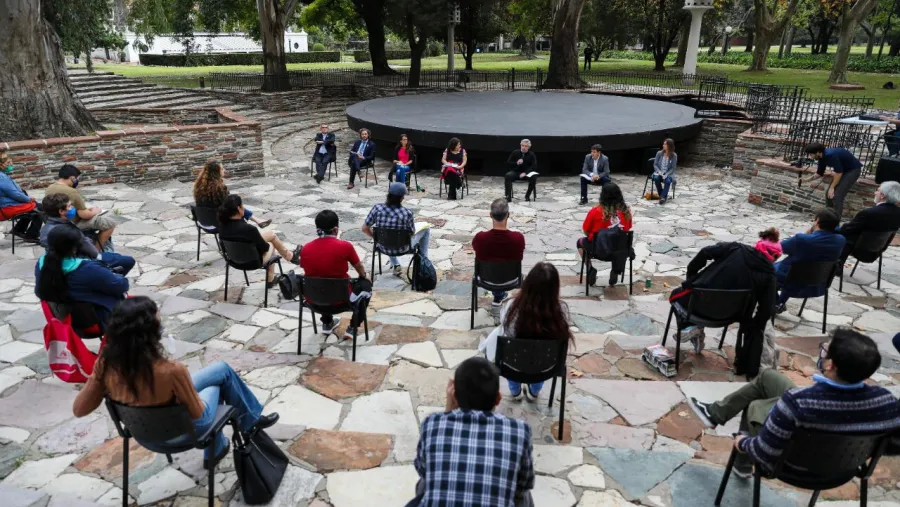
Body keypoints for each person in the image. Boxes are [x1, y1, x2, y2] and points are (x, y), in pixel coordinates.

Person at [72, 297, 280, 468]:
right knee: (217, 384)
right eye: (158, 319)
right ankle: (240, 430)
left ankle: (242, 428)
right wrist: (185, 388)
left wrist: (97, 380)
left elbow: (79, 409)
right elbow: (198, 413)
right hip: (182, 434)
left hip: (142, 434)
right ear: (150, 332)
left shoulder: (106, 364)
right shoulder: (171, 371)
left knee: (221, 369)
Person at [689, 329, 900, 478]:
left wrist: (742, 442)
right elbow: (895, 444)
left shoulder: (797, 402)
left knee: (756, 406)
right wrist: (859, 448)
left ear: (831, 365)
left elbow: (765, 452)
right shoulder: (887, 402)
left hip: (791, 467)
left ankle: (742, 463)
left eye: (825, 352)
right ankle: (714, 413)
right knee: (769, 377)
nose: (822, 354)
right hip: (844, 468)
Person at [408, 357, 535, 507]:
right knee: (524, 496)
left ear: (454, 396)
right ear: (498, 398)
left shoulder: (431, 423)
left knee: (425, 483)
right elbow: (525, 482)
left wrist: (448, 411)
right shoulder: (519, 432)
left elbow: (422, 469)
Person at [668, 240, 777, 377]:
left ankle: (691, 326)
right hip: (731, 316)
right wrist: (754, 326)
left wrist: (692, 275)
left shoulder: (735, 248)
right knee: (742, 311)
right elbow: (767, 309)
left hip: (698, 307)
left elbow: (705, 252)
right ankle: (696, 330)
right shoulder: (769, 275)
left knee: (675, 295)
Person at [479, 263, 572, 401]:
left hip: (513, 365)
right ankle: (534, 391)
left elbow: (507, 333)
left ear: (527, 284)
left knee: (509, 348)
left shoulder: (511, 307)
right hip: (546, 367)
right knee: (542, 353)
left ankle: (515, 390)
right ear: (555, 288)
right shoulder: (561, 310)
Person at [35, 225, 129, 330]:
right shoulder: (87, 269)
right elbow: (122, 286)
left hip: (62, 319)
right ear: (75, 248)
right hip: (93, 323)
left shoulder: (41, 264)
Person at [299, 210, 370, 341]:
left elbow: (307, 269)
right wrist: (364, 276)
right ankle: (353, 327)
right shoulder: (345, 246)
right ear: (336, 229)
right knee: (366, 285)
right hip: (342, 301)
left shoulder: (306, 248)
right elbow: (359, 267)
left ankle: (327, 323)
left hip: (313, 301)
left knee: (320, 280)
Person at [39, 193, 135, 276]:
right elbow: (91, 251)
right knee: (127, 260)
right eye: (69, 206)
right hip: (80, 259)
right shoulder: (67, 230)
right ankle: (109, 277)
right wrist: (98, 256)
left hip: (68, 258)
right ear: (61, 211)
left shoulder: (46, 228)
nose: (72, 208)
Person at [217, 195, 300, 285]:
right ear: (238, 208)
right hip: (253, 262)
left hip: (233, 261)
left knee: (270, 235)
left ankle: (289, 257)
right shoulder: (249, 229)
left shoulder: (221, 227)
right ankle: (272, 277)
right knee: (271, 243)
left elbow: (223, 247)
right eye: (242, 205)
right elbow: (265, 248)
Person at [773, 209, 845, 313]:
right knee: (797, 266)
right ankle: (780, 302)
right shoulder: (841, 240)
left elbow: (778, 248)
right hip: (818, 282)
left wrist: (806, 234)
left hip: (791, 280)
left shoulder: (802, 239)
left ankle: (775, 302)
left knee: (764, 269)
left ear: (817, 221)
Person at [363, 183, 431, 277]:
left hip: (383, 246)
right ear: (402, 198)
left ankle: (396, 264)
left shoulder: (377, 209)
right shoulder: (407, 213)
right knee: (426, 229)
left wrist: (376, 238)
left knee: (389, 235)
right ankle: (425, 262)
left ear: (388, 195)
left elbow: (364, 228)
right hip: (403, 248)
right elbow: (411, 233)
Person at [46, 164, 118, 252]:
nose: (77, 181)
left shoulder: (50, 188)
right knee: (110, 224)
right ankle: (96, 251)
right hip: (72, 222)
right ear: (72, 178)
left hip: (56, 220)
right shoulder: (71, 192)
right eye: (77, 178)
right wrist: (95, 211)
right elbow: (85, 215)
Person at [472, 198, 526, 311]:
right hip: (512, 280)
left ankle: (498, 296)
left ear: (490, 215)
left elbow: (476, 249)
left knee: (495, 268)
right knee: (501, 268)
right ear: (508, 215)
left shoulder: (480, 238)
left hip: (485, 279)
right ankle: (499, 296)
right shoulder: (518, 238)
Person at [577, 183, 632, 287]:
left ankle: (590, 268)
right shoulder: (626, 211)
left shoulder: (595, 211)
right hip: (620, 251)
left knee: (579, 242)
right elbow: (627, 229)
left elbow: (586, 230)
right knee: (621, 241)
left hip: (599, 250)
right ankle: (615, 270)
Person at [193, 160, 271, 228]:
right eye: (222, 169)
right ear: (216, 172)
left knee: (235, 205)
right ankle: (251, 225)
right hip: (217, 222)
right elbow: (227, 206)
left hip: (203, 221)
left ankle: (257, 220)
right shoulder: (218, 188)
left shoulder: (199, 186)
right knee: (235, 206)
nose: (224, 170)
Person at [838, 181, 900, 255]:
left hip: (859, 249)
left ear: (882, 196)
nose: (875, 193)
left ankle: (836, 261)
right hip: (878, 250)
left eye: (877, 190)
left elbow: (848, 229)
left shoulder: (869, 213)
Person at [802, 143, 863, 218]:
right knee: (829, 194)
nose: (810, 156)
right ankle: (829, 216)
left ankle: (836, 220)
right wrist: (806, 180)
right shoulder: (821, 158)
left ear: (817, 152)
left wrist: (832, 187)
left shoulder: (830, 155)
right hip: (842, 170)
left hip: (853, 170)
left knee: (837, 195)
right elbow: (819, 173)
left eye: (811, 154)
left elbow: (838, 173)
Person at [0, 148, 41, 240]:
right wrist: (28, 199)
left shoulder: (2, 175)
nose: (10, 165)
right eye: (8, 163)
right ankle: (31, 235)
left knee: (33, 208)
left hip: (6, 205)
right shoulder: (2, 178)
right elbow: (16, 195)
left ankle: (18, 229)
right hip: (7, 207)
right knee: (40, 209)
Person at [651, 138, 677, 204]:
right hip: (659, 172)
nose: (663, 145)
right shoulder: (659, 153)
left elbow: (673, 168)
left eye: (665, 144)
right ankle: (663, 196)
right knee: (656, 178)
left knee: (668, 181)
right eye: (663, 144)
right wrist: (659, 172)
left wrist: (666, 174)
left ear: (669, 146)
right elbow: (655, 164)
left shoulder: (674, 155)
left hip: (668, 173)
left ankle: (662, 197)